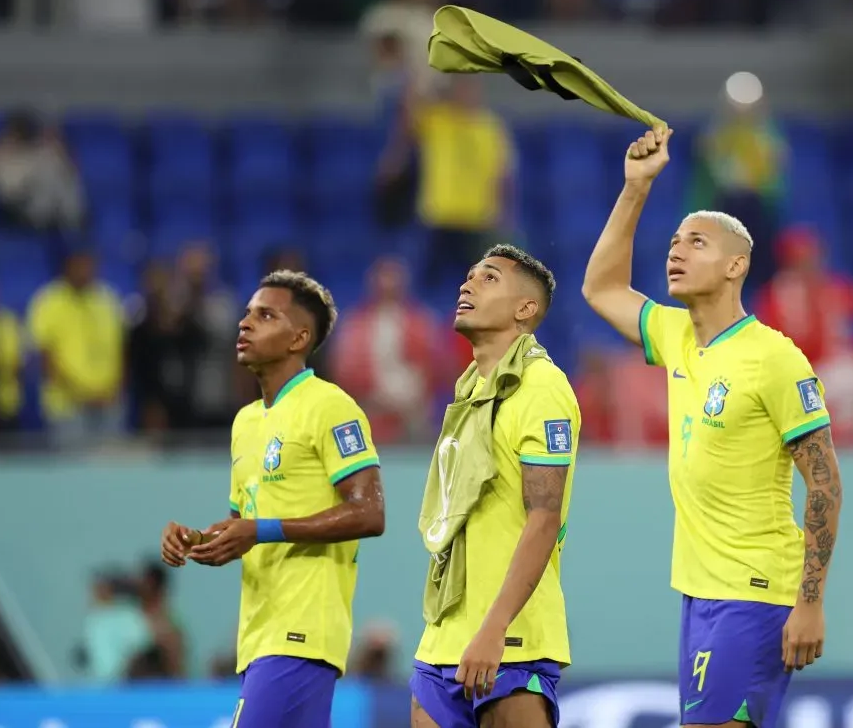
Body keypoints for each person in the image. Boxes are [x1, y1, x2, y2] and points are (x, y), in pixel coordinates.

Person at [582, 128, 844, 728]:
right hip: (700, 593)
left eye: (696, 243)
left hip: (754, 592)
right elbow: (600, 288)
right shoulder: (676, 336)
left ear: (736, 265)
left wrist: (810, 603)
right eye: (674, 242)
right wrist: (635, 188)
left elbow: (826, 484)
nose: (676, 252)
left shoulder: (775, 358)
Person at [159, 270, 386, 728]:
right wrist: (198, 538)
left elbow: (370, 512)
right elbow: (243, 524)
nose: (245, 324)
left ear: (298, 337)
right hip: (258, 635)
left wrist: (259, 531)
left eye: (265, 315)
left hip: (302, 631)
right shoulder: (245, 422)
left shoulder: (329, 405)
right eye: (246, 313)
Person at [410, 244, 581, 728]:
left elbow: (544, 520)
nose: (466, 285)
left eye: (488, 279)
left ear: (525, 309)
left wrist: (495, 628)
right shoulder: (467, 391)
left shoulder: (543, 387)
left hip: (512, 640)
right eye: (467, 276)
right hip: (441, 640)